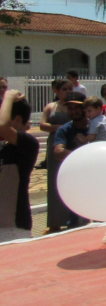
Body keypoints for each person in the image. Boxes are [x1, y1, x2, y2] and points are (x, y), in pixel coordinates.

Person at [50, 92, 92, 229]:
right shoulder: (64, 130)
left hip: (97, 179)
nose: (73, 111)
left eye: (77, 107)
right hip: (76, 182)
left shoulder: (97, 125)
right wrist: (83, 156)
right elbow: (58, 151)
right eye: (70, 108)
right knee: (76, 223)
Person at [0, 90, 40, 233]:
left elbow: (3, 127)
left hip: (13, 226)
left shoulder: (28, 143)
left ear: (16, 120)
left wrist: (8, 96)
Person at [39, 79, 74, 233]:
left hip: (71, 144)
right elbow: (42, 124)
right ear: (57, 91)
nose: (67, 92)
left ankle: (74, 219)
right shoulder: (50, 107)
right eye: (64, 89)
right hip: (54, 144)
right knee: (54, 182)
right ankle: (55, 222)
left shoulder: (74, 107)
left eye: (69, 89)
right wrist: (59, 128)